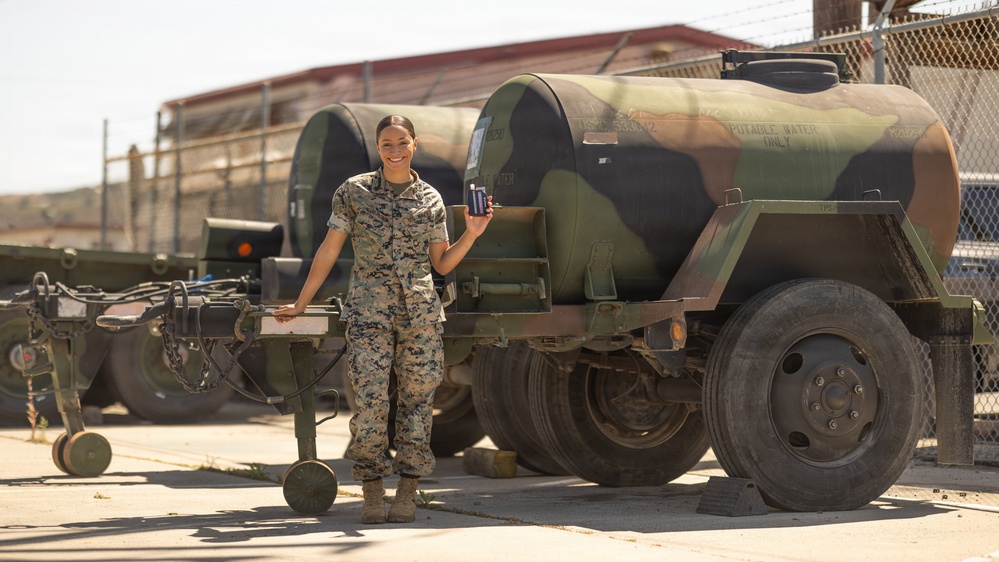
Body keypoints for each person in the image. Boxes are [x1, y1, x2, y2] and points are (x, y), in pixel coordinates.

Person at [273, 114, 492, 524]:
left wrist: (474, 232)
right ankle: (372, 492)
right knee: (372, 404)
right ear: (378, 147)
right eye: (387, 144)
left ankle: (408, 492)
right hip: (369, 313)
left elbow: (441, 262)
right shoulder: (354, 191)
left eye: (402, 142)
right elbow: (329, 249)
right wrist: (302, 303)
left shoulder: (429, 198)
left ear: (414, 144)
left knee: (417, 404)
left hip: (421, 315)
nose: (395, 150)